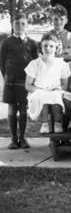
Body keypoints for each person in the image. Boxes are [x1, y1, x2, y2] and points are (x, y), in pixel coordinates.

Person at [0, 13, 38, 149]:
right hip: (11, 81)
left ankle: (23, 138)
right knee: (12, 110)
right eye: (17, 23)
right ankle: (13, 140)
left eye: (23, 23)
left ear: (27, 25)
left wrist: (32, 80)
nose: (20, 26)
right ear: (12, 24)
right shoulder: (6, 42)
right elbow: (2, 62)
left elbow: (35, 63)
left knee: (23, 110)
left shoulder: (32, 43)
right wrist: (7, 76)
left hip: (25, 81)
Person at [24, 33, 71, 134]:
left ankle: (58, 123)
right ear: (41, 47)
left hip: (55, 90)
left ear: (56, 47)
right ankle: (44, 124)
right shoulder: (35, 64)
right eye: (45, 46)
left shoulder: (61, 64)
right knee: (42, 96)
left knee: (55, 96)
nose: (48, 49)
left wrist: (59, 88)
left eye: (51, 46)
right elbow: (28, 85)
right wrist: (39, 90)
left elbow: (64, 85)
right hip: (39, 90)